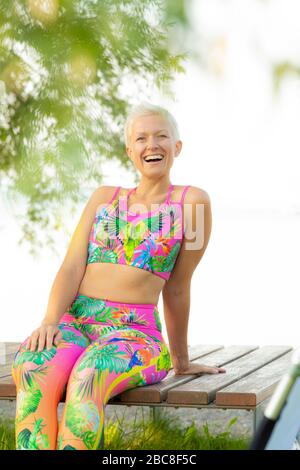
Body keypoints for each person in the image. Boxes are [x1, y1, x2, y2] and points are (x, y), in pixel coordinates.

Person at [11, 101, 226, 450]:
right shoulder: (104, 198)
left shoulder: (193, 204)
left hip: (134, 334)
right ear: (130, 150)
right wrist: (50, 320)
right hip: (75, 323)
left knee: (89, 375)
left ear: (177, 147)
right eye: (141, 138)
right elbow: (71, 266)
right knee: (33, 369)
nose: (151, 145)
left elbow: (178, 288)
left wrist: (181, 361)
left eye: (161, 136)